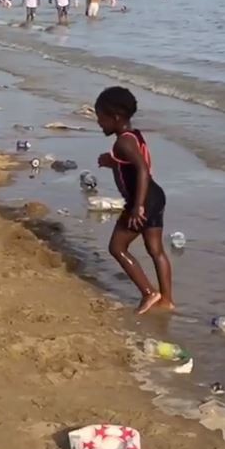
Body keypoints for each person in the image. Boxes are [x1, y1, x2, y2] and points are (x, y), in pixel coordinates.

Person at [95, 86, 173, 315]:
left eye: (101, 118)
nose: (99, 123)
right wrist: (112, 162)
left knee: (117, 247)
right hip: (156, 196)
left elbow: (142, 170)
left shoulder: (122, 142)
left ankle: (149, 293)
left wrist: (138, 206)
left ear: (116, 118)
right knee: (155, 250)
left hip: (144, 200)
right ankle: (167, 300)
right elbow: (132, 163)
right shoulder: (133, 136)